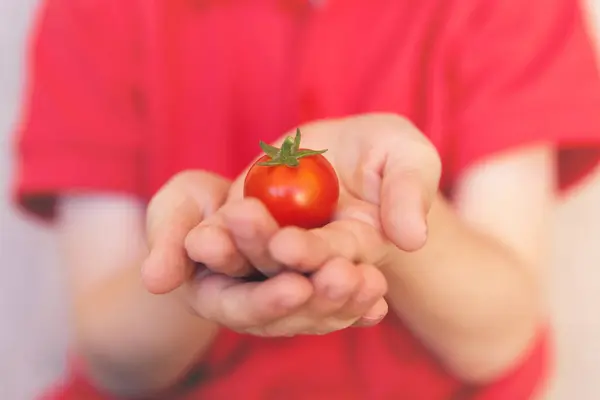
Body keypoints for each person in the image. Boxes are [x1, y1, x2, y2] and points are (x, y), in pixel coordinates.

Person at [13, 0, 600, 399]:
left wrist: (393, 223)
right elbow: (115, 361)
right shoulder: (99, 13)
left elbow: (497, 342)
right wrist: (197, 260)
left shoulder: (514, 9)